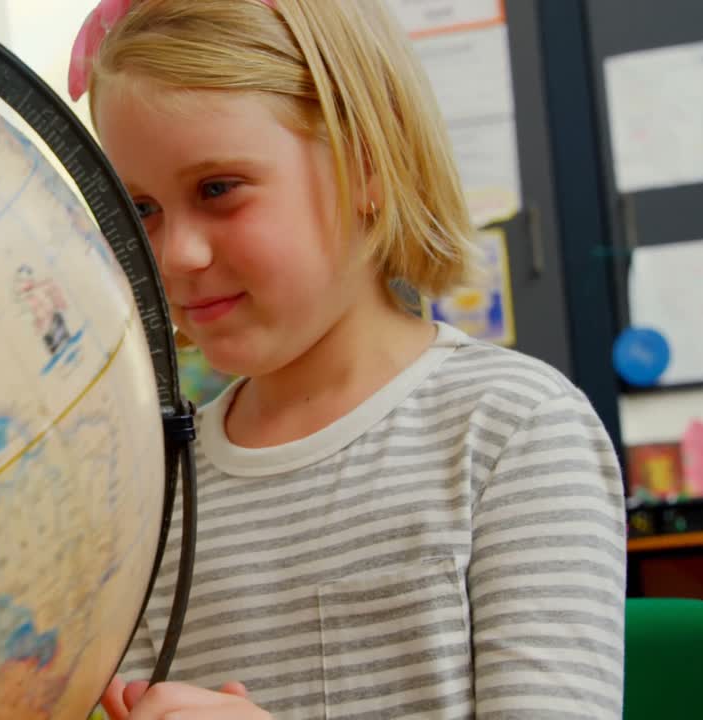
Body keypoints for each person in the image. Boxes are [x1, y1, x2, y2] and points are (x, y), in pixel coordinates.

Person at [67, 1, 628, 718]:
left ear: (367, 166)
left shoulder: (512, 431)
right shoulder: (159, 491)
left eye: (218, 189)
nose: (178, 254)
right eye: (142, 210)